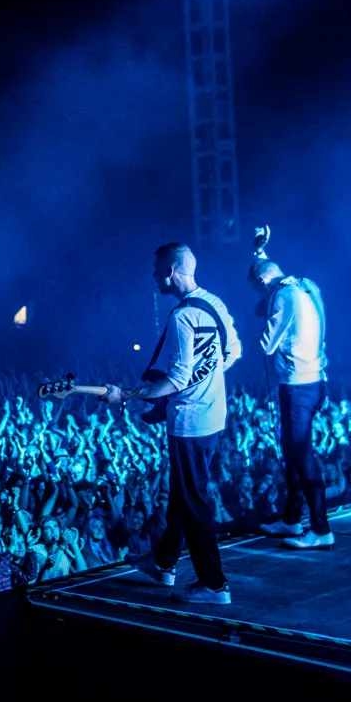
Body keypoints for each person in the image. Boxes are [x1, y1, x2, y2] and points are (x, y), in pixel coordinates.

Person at [99, 243, 242, 604]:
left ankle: (214, 585)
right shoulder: (214, 303)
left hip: (190, 421)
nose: (154, 275)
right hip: (213, 414)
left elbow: (177, 379)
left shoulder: (182, 316)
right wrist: (206, 379)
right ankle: (164, 563)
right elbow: (233, 352)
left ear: (172, 271)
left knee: (194, 500)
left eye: (157, 269)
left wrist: (126, 394)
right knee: (182, 492)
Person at [249, 249, 332, 549]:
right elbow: (268, 271)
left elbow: (267, 345)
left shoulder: (283, 296)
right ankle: (292, 518)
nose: (260, 296)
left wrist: (266, 310)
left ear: (262, 282)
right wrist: (260, 252)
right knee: (292, 452)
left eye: (258, 290)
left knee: (302, 457)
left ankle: (321, 529)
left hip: (298, 387)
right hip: (314, 381)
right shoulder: (305, 285)